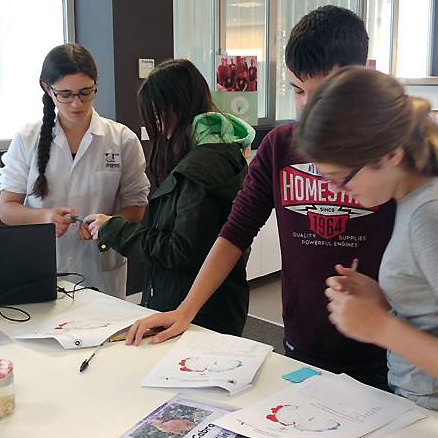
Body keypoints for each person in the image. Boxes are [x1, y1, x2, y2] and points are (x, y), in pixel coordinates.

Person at [125, 6, 396, 391]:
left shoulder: (393, 154)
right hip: (302, 343)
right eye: (298, 91)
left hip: (383, 350)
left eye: (325, 94)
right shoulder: (280, 147)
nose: (308, 107)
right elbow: (235, 231)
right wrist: (186, 310)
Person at [296, 67, 438, 409]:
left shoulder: (428, 212)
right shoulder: (409, 198)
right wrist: (383, 300)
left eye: (342, 178)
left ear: (390, 155)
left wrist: (379, 326)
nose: (337, 191)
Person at [85, 59, 254, 335]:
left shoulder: (201, 167)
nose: (157, 125)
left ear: (174, 107)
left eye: (157, 113)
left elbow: (180, 250)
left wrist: (113, 228)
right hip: (204, 304)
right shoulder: (219, 151)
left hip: (193, 310)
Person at [0, 43, 150, 299]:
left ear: (95, 85)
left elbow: (136, 207)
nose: (76, 103)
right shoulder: (27, 138)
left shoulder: (122, 139)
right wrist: (45, 217)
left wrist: (108, 224)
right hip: (43, 267)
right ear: (47, 89)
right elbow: (7, 209)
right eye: (65, 94)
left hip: (100, 269)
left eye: (85, 93)